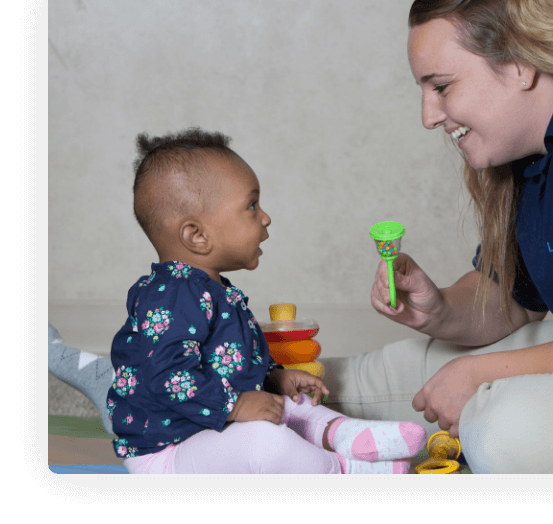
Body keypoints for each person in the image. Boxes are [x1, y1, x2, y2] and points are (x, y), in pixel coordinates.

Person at [49, 0, 553, 474]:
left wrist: (484, 374)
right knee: (350, 384)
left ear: (518, 63)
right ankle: (167, 403)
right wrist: (440, 309)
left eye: (441, 86)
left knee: (501, 429)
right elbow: (515, 302)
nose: (428, 116)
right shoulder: (530, 157)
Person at [94, 128, 427, 474]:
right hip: (169, 452)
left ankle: (342, 433)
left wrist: (274, 378)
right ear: (197, 235)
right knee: (264, 440)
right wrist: (236, 405)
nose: (265, 217)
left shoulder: (210, 289)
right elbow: (169, 376)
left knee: (288, 404)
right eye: (251, 206)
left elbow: (226, 361)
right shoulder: (174, 296)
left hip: (210, 430)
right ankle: (343, 469)